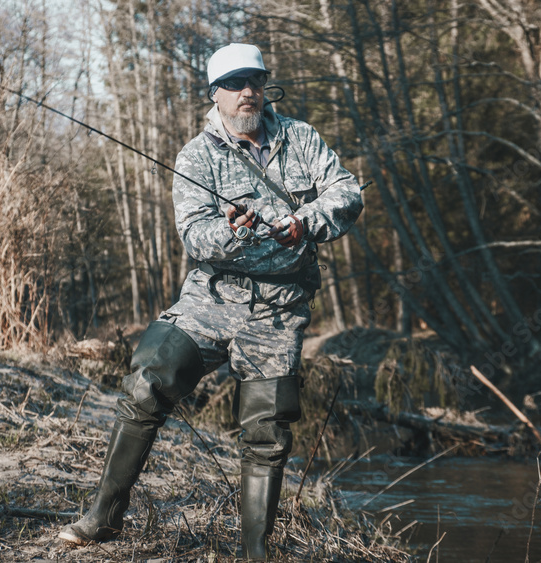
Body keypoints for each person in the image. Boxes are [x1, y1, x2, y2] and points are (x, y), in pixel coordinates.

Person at [58, 43, 364, 560]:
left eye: (256, 80)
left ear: (266, 86)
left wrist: (303, 222)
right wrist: (233, 233)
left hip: (280, 305)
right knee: (149, 379)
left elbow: (346, 192)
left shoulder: (301, 137)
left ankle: (255, 552)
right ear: (215, 93)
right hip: (212, 297)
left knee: (267, 431)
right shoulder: (196, 155)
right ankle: (104, 516)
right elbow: (195, 237)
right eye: (235, 83)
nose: (248, 91)